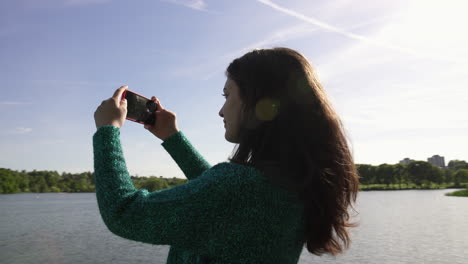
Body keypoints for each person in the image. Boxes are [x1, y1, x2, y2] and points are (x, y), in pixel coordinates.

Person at [93, 47, 360, 264]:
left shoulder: (239, 187)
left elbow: (123, 213)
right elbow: (219, 202)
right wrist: (173, 139)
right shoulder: (294, 181)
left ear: (259, 102)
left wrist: (108, 131)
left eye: (227, 95)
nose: (221, 111)